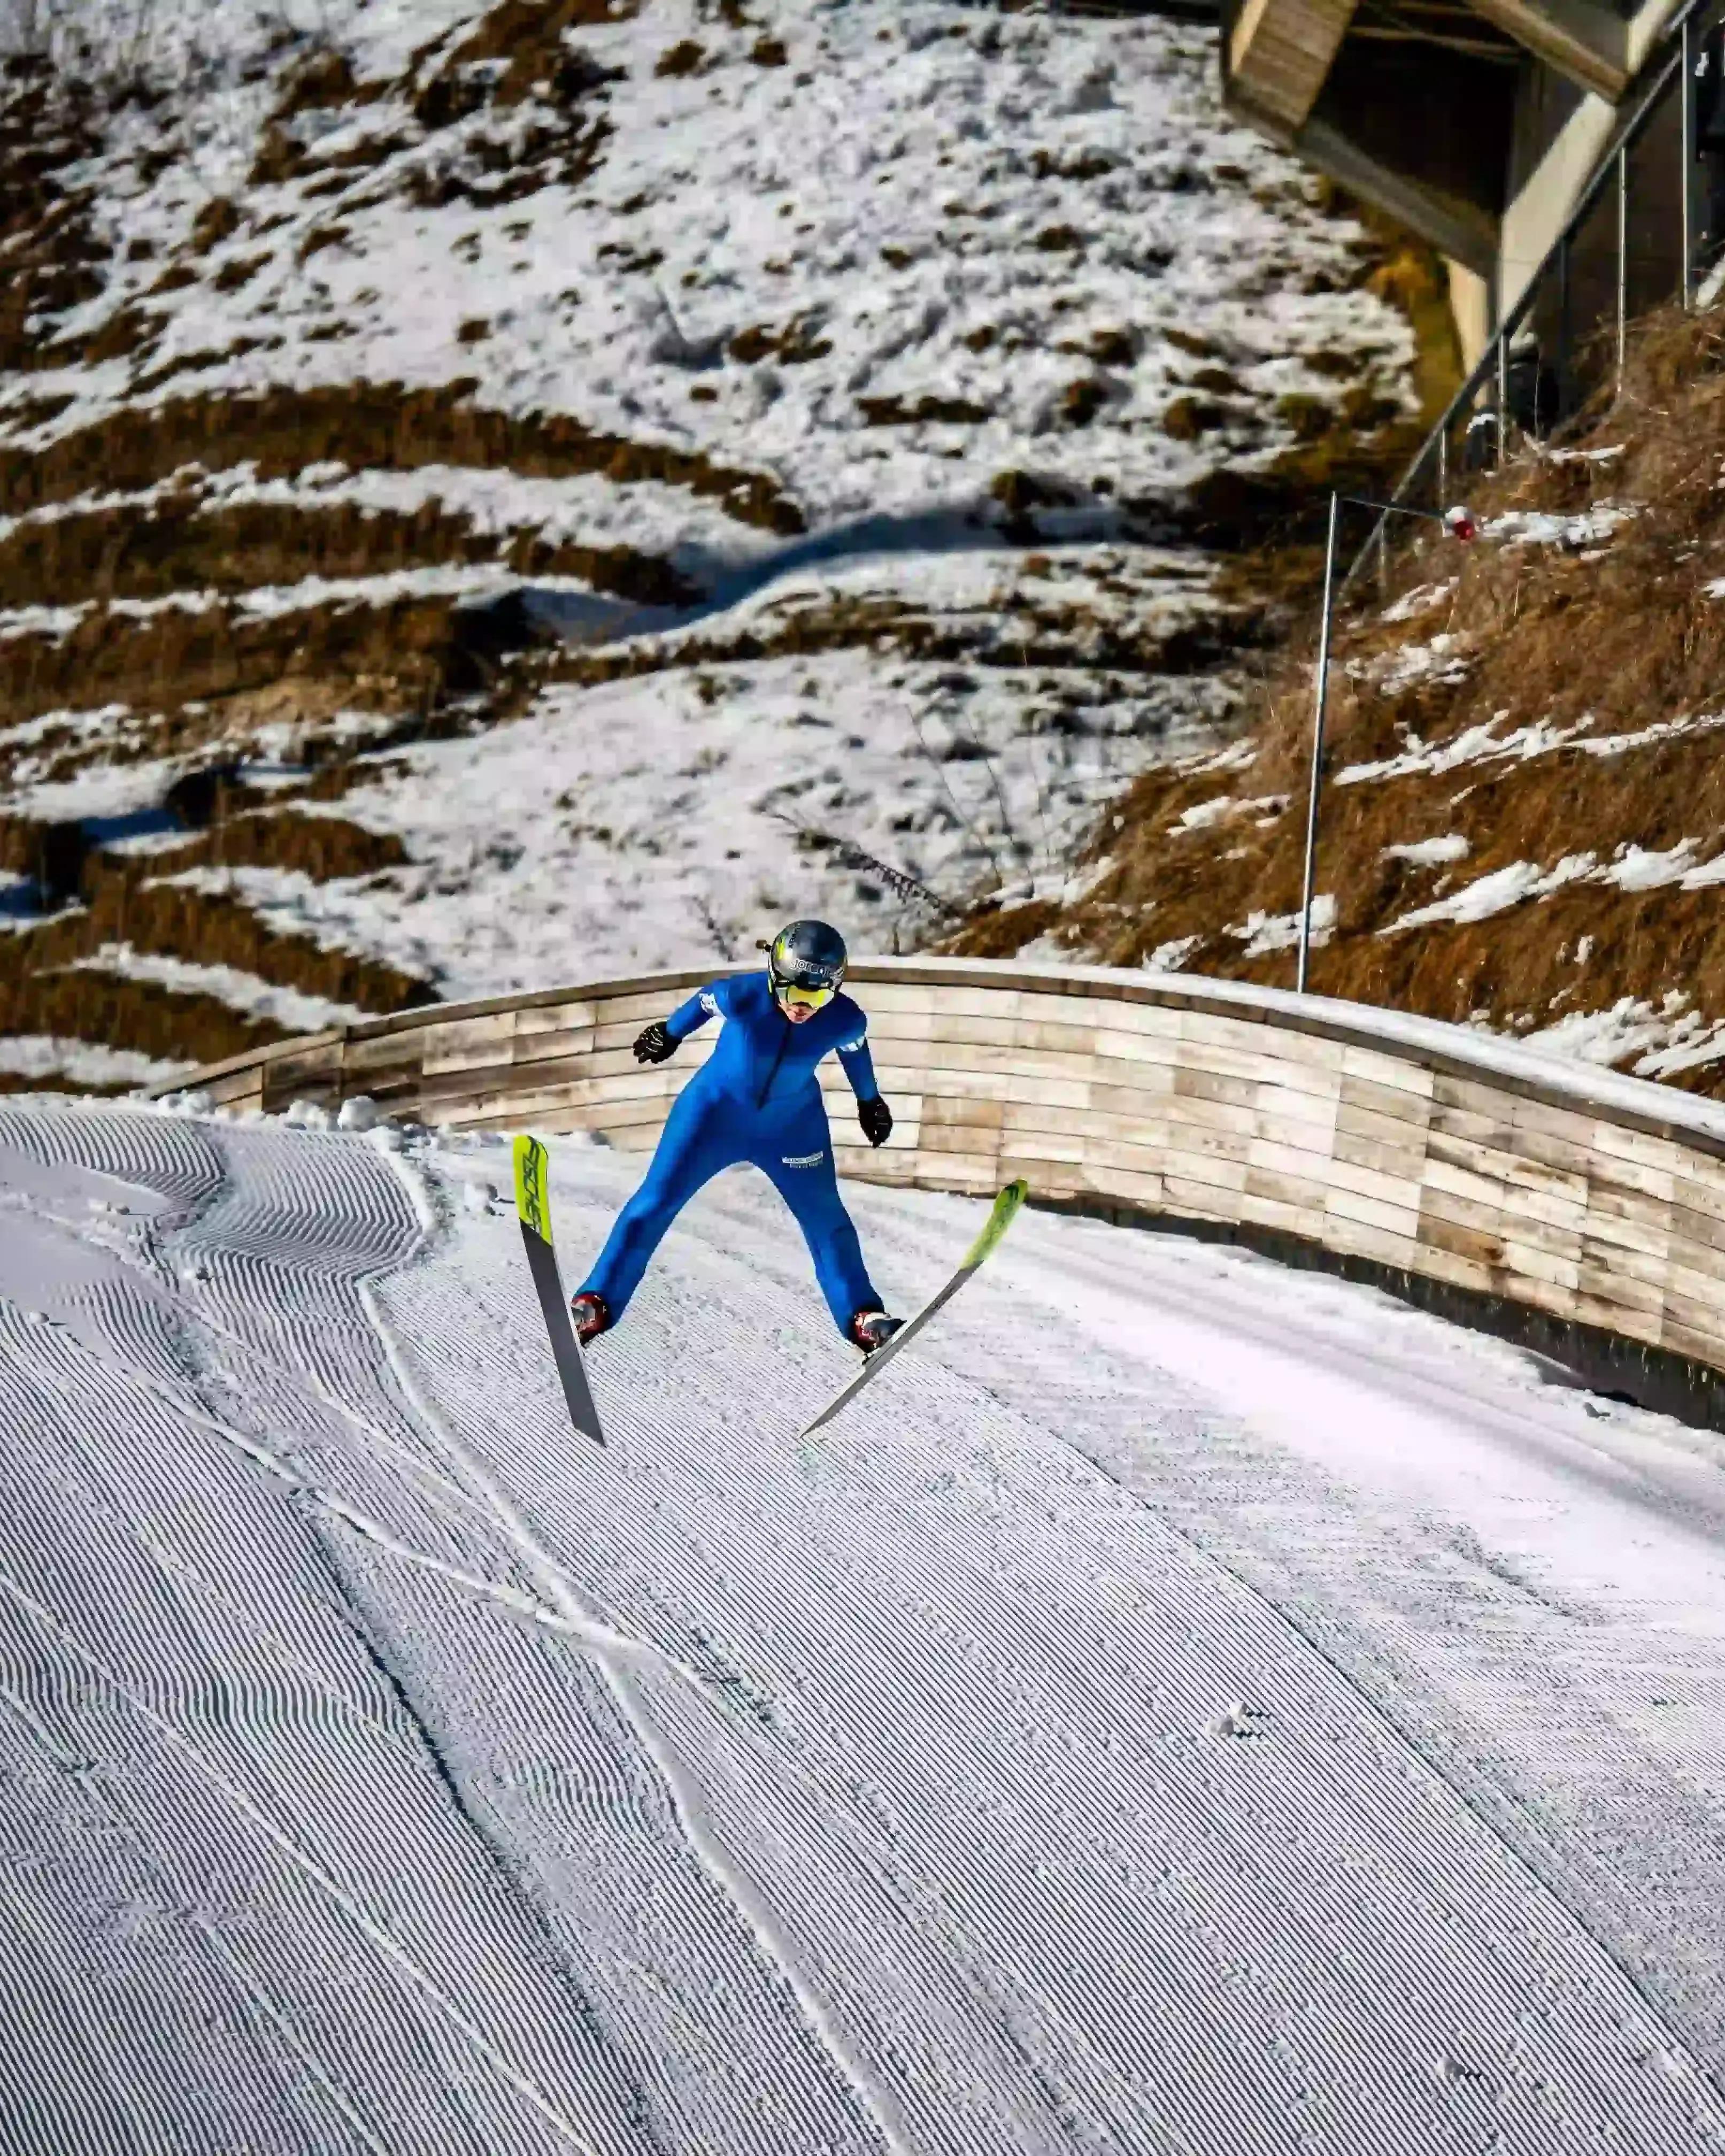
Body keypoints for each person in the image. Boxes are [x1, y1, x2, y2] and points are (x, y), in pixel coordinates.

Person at [571, 920, 904, 1354]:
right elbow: (704, 1001)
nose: (801, 1006)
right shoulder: (742, 996)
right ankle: (596, 1302)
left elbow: (855, 1050)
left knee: (827, 1221)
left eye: (816, 995)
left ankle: (864, 1317)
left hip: (792, 1127)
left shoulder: (845, 1018)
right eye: (791, 991)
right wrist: (670, 1033)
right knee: (653, 1204)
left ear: (835, 988)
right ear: (773, 977)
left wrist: (870, 1100)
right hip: (713, 1116)